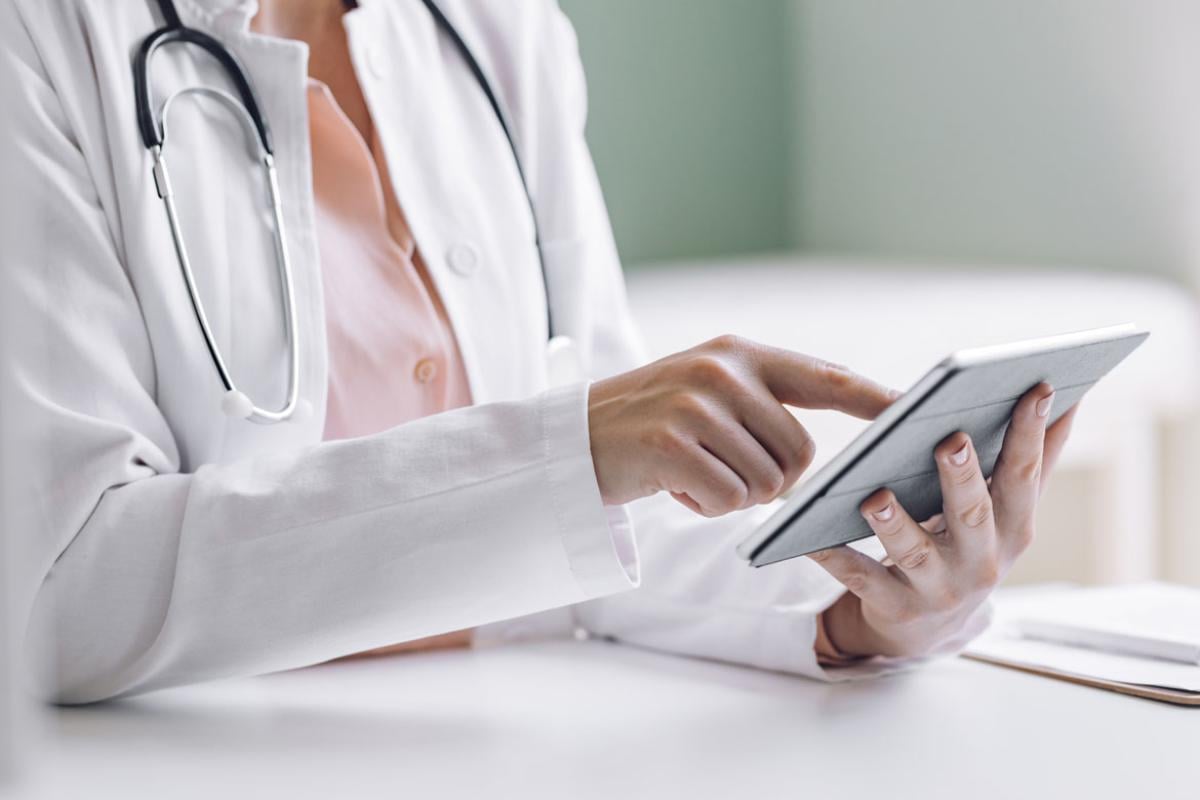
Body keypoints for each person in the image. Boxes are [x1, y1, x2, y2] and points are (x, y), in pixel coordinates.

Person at [0, 0, 1075, 704]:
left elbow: (617, 523)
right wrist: (573, 448)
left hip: (517, 746)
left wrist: (853, 609)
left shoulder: (495, 27)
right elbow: (60, 589)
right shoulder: (42, 38)